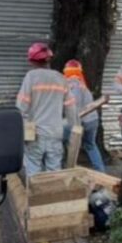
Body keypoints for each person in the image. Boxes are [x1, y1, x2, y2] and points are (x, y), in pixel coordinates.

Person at [16, 42, 73, 177]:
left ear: (32, 61)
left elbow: (20, 107)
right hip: (55, 133)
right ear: (49, 59)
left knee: (33, 171)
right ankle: (52, 197)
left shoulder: (31, 77)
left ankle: (35, 198)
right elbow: (71, 107)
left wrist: (22, 131)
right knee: (54, 173)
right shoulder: (61, 78)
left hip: (35, 134)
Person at [63, 60, 106, 172]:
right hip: (92, 120)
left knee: (62, 142)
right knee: (90, 145)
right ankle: (101, 171)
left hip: (79, 120)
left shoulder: (70, 84)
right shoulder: (82, 83)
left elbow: (74, 105)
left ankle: (66, 170)